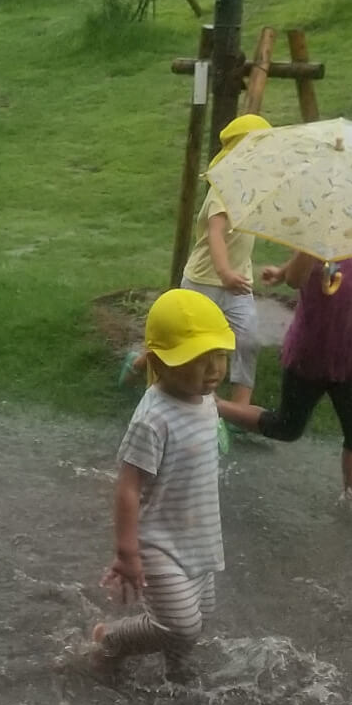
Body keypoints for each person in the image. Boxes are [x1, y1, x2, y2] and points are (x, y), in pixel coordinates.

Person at [91, 288, 234, 681]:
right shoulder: (152, 418)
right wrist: (126, 552)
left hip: (199, 537)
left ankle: (176, 679)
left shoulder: (203, 397)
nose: (213, 370)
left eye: (219, 356)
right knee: (181, 625)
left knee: (198, 620)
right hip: (158, 543)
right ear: (161, 362)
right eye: (198, 360)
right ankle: (110, 640)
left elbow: (214, 414)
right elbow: (127, 487)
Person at [217, 253, 352, 509]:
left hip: (344, 351)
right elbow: (295, 280)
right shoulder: (314, 242)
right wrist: (292, 268)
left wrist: (280, 270)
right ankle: (217, 407)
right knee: (287, 426)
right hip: (310, 352)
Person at [179, 114, 273, 422]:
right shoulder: (223, 188)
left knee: (248, 338)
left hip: (238, 282)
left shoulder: (255, 189)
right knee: (187, 340)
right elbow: (216, 231)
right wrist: (224, 273)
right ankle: (142, 363)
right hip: (205, 279)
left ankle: (238, 412)